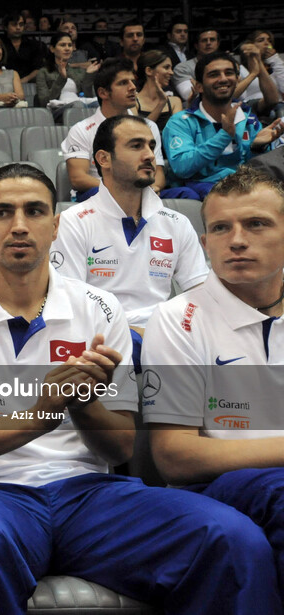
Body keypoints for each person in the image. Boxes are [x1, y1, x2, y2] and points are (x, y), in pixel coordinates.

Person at [0, 162, 283, 615]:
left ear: (57, 224)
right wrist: (38, 416)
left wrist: (81, 404)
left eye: (35, 211)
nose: (20, 226)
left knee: (229, 537)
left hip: (88, 494)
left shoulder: (99, 308)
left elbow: (120, 447)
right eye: (3, 213)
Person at [142, 167, 284, 591]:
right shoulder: (177, 319)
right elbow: (175, 456)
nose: (236, 240)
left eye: (256, 224)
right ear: (205, 245)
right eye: (221, 228)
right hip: (214, 492)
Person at [51, 115, 207, 341]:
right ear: (104, 159)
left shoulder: (177, 223)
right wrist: (134, 335)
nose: (150, 155)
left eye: (151, 146)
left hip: (167, 338)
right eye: (136, 146)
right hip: (103, 340)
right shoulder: (73, 222)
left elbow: (200, 294)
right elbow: (71, 305)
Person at [163, 52, 284, 198]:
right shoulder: (181, 122)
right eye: (214, 74)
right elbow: (182, 168)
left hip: (245, 187)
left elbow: (259, 169)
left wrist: (256, 147)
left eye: (229, 73)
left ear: (237, 80)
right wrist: (224, 136)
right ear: (199, 86)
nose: (223, 79)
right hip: (201, 190)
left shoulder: (247, 118)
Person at [61, 58, 172, 201]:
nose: (133, 87)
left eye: (133, 81)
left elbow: (158, 176)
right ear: (103, 93)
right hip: (99, 192)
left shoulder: (149, 127)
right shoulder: (81, 130)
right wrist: (123, 189)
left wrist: (149, 189)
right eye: (123, 83)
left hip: (141, 191)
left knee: (187, 194)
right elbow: (78, 179)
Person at [35, 32, 99, 118]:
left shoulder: (77, 72)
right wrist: (61, 78)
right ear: (52, 49)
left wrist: (89, 76)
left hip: (78, 105)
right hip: (55, 111)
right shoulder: (43, 72)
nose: (67, 48)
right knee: (77, 105)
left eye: (70, 45)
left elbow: (88, 97)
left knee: (98, 104)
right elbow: (44, 102)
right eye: (63, 45)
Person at [134, 50, 183, 131]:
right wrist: (161, 103)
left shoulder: (175, 102)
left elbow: (177, 133)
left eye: (171, 68)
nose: (171, 72)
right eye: (166, 67)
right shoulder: (133, 102)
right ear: (149, 71)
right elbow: (138, 132)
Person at [0, 13, 45, 83]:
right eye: (14, 24)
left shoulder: (34, 45)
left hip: (30, 83)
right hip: (4, 83)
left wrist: (24, 80)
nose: (18, 27)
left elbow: (38, 68)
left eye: (21, 24)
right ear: (5, 27)